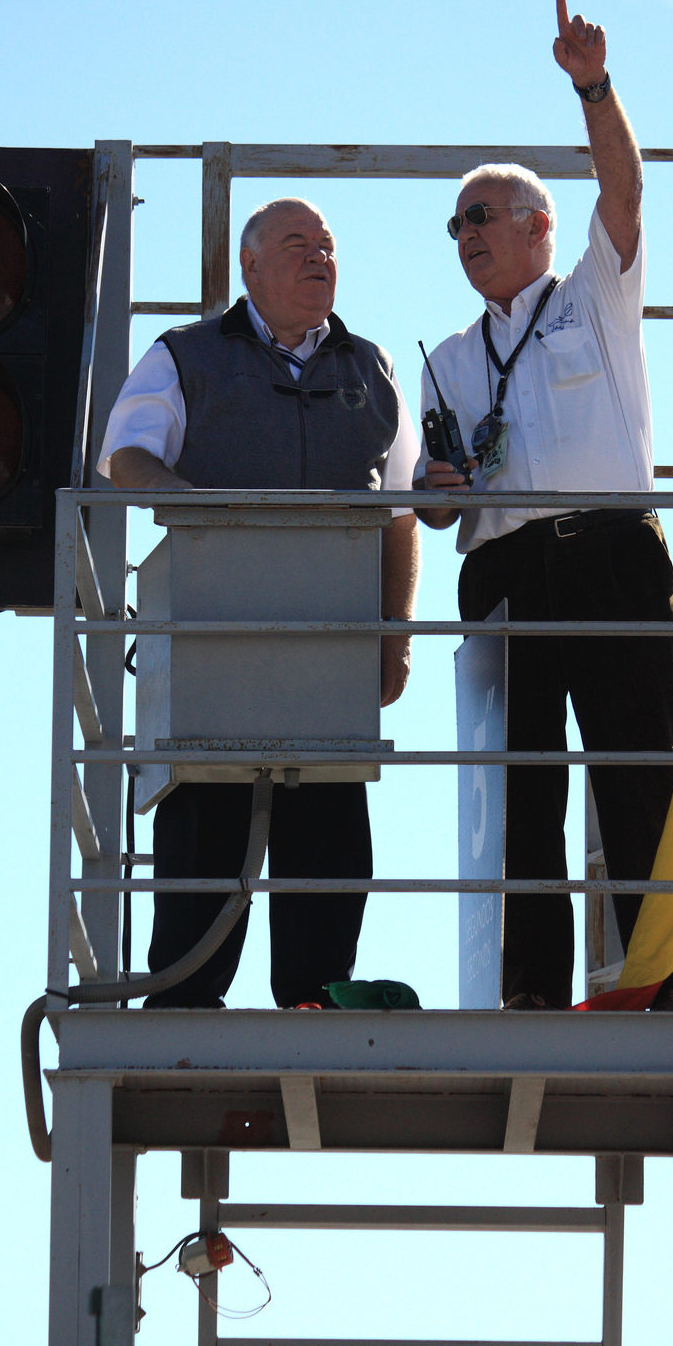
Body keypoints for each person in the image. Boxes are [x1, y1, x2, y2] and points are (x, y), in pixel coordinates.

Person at [415, 0, 673, 1013]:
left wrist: (594, 84)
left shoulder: (594, 290)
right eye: (456, 224)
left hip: (612, 553)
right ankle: (530, 988)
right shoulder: (446, 360)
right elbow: (435, 504)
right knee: (523, 787)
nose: (466, 235)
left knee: (634, 769)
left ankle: (664, 979)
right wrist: (434, 493)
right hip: (503, 570)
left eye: (482, 216)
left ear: (541, 225)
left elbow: (626, 187)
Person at [97, 197, 420, 1009]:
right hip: (216, 642)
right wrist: (215, 519)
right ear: (249, 266)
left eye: (328, 244)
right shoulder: (184, 355)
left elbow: (403, 509)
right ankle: (183, 999)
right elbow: (125, 458)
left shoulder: (371, 367)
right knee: (206, 824)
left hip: (334, 651)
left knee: (333, 838)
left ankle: (315, 998)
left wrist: (398, 635)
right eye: (296, 245)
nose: (319, 258)